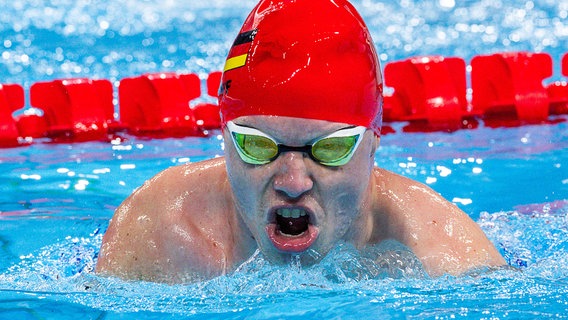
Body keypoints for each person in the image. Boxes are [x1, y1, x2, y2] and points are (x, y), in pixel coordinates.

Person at [96, 0, 506, 283]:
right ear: (224, 137)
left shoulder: (447, 260)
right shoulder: (159, 235)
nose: (293, 181)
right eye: (258, 145)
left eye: (329, 149)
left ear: (374, 141)